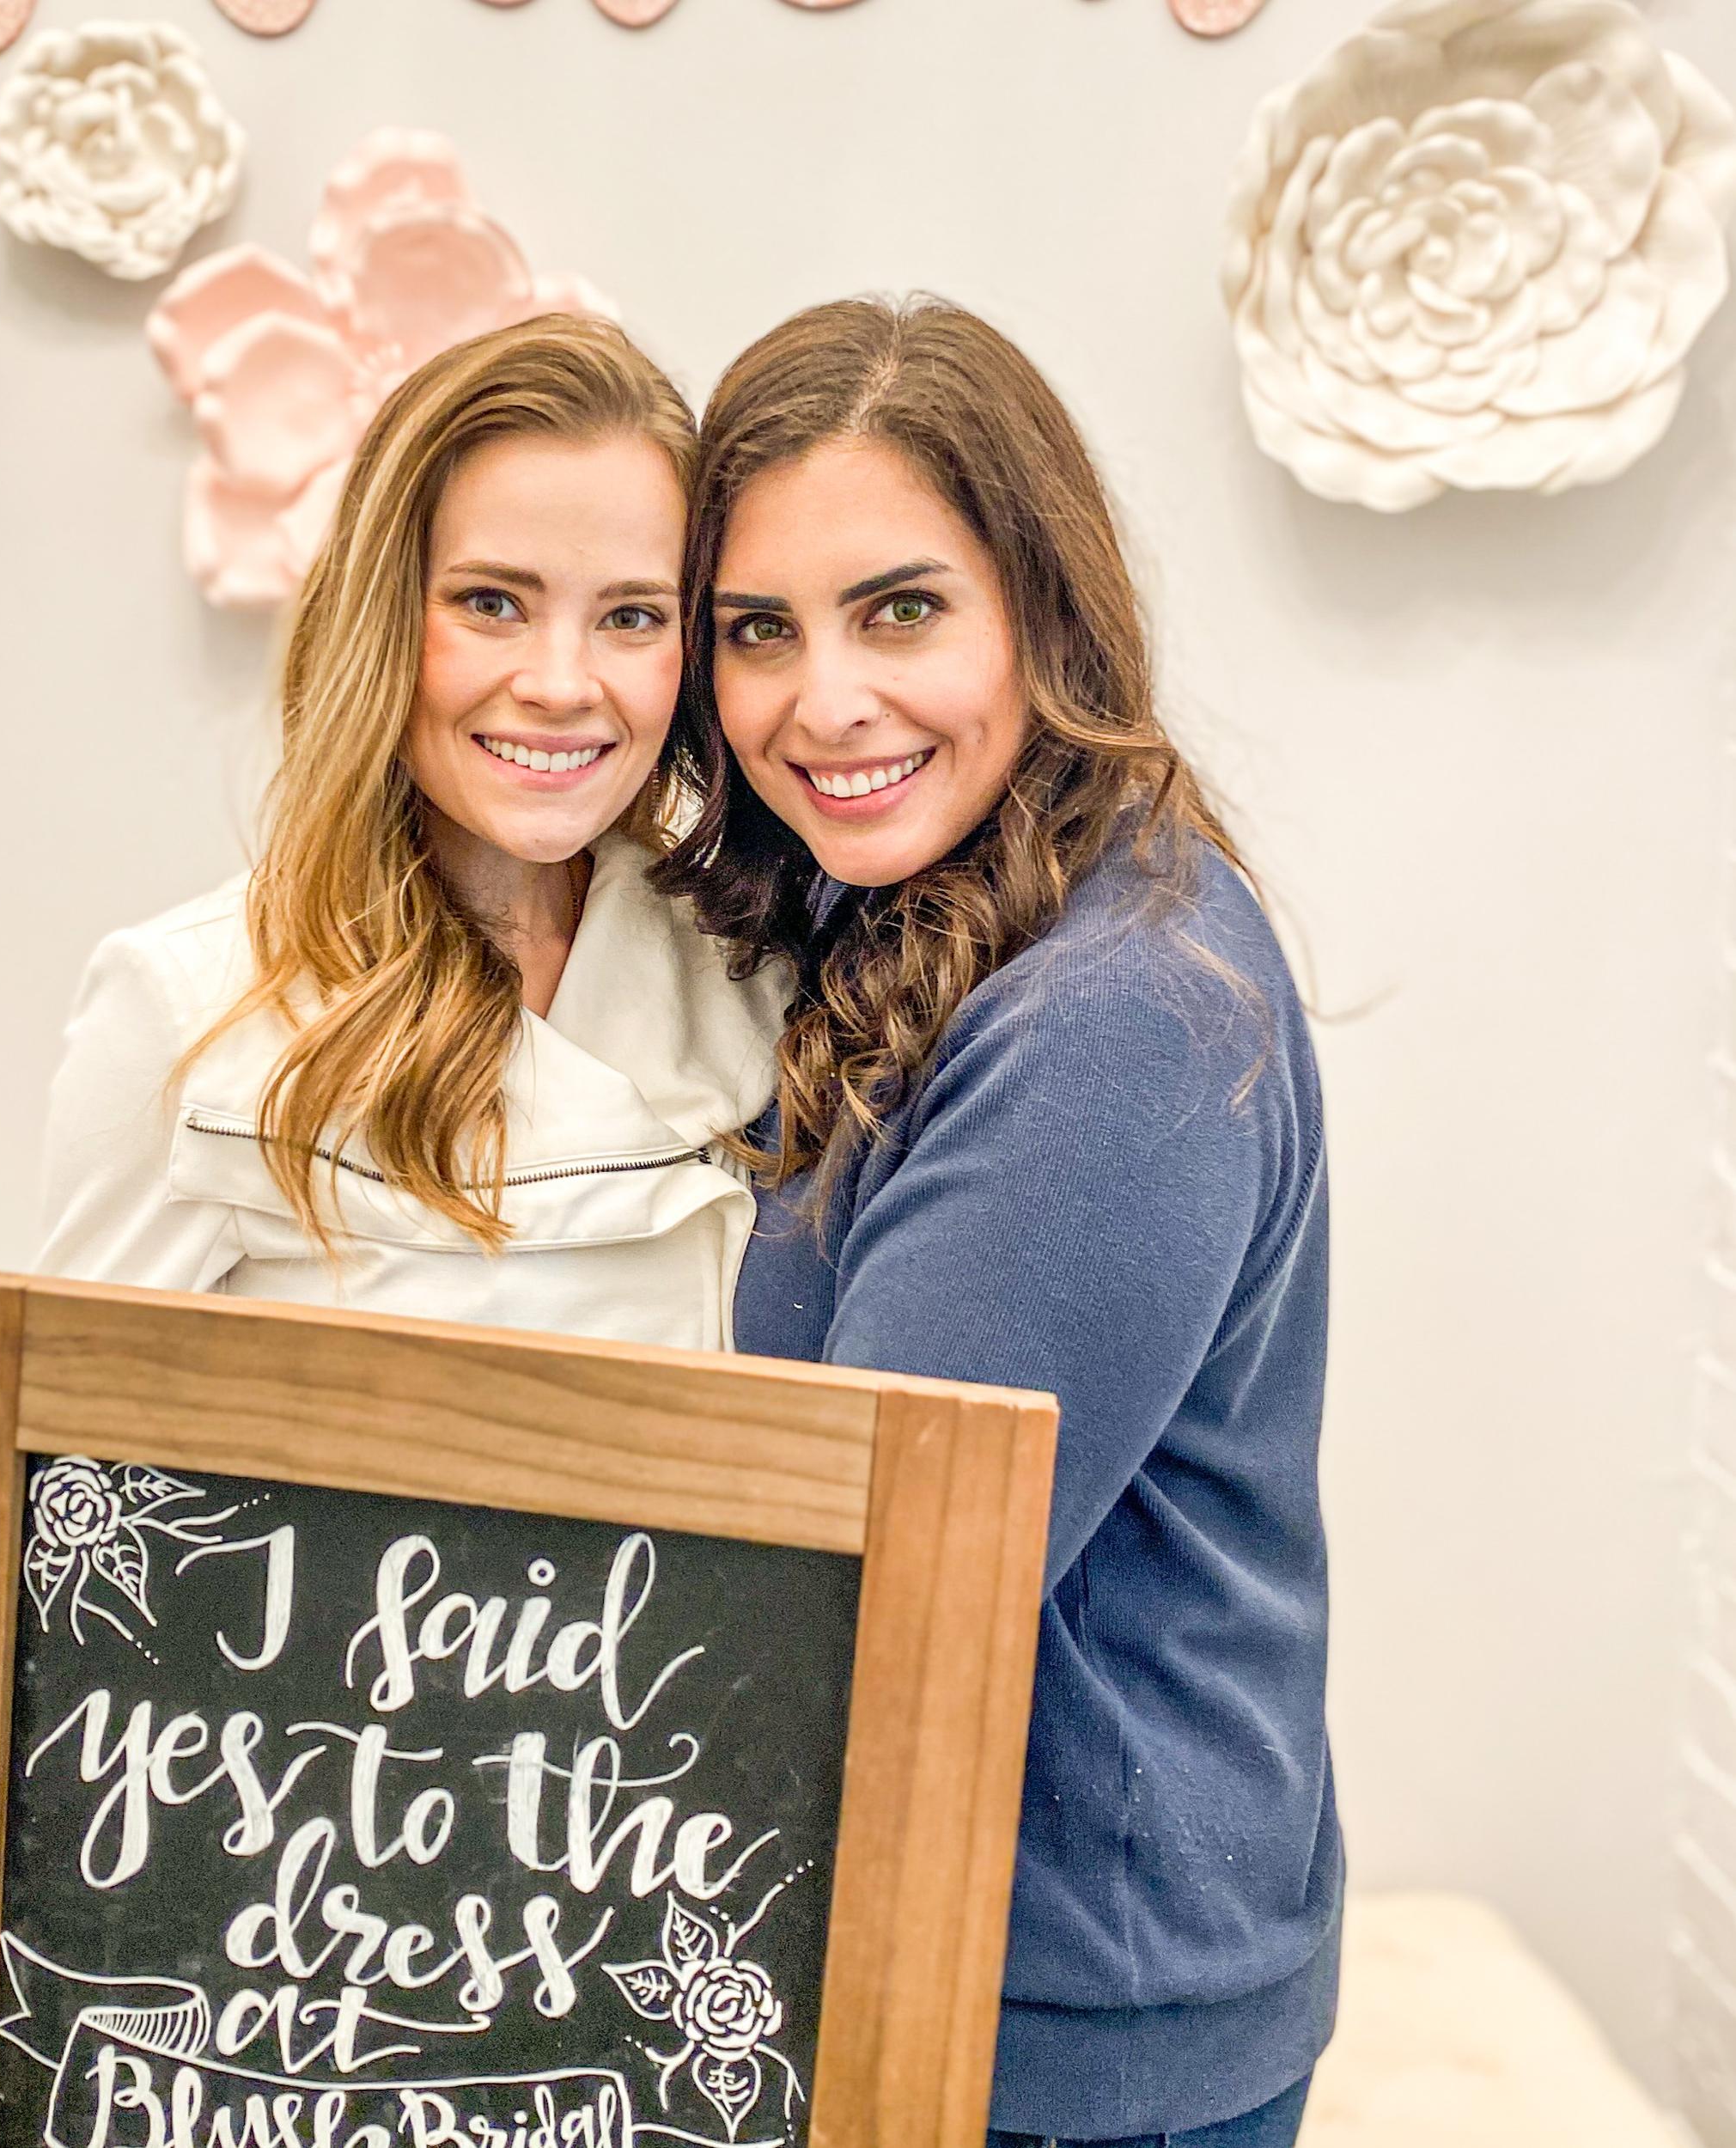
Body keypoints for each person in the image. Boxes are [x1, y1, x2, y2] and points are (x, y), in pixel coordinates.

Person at [0, 314, 784, 1725]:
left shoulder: (761, 975)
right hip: (334, 1809)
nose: (564, 682)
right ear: (383, 613)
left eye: (631, 616)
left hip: (673, 1785)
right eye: (491, 602)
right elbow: (62, 1514)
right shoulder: (191, 1010)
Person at [655, 296, 1338, 2147]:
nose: (824, 701)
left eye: (900, 610)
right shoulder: (914, 899)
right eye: (757, 630)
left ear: (1044, 609)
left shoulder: (1114, 1013)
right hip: (982, 1962)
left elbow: (859, 1588)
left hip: (1058, 2031)